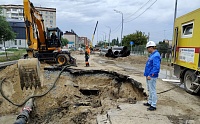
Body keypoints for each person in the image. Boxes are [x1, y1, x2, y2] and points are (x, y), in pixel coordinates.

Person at [143, 41, 161, 111]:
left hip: (151, 76)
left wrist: (151, 74)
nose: (147, 50)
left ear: (151, 47)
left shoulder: (156, 55)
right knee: (149, 89)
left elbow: (156, 67)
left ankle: (153, 105)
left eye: (148, 48)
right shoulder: (152, 55)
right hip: (148, 75)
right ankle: (149, 102)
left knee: (152, 90)